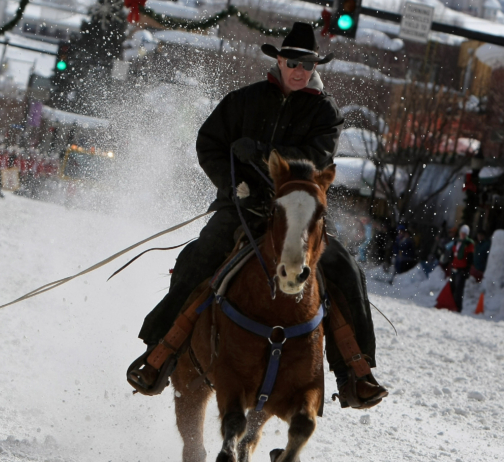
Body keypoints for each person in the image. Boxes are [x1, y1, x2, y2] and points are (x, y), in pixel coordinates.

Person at [126, 22, 387, 409]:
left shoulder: (325, 112)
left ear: (315, 66)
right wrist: (231, 185)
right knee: (197, 259)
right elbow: (209, 142)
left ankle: (355, 371)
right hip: (243, 208)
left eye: (307, 65)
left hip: (297, 215)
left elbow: (314, 161)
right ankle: (160, 353)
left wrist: (263, 151)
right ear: (279, 61)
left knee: (346, 270)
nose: (300, 71)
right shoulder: (243, 100)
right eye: (293, 63)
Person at [449, 225, 474, 313]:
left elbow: (470, 258)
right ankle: (450, 304)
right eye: (461, 233)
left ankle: (457, 307)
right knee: (452, 287)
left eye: (464, 234)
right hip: (455, 267)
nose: (462, 235)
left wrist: (467, 269)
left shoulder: (468, 244)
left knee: (459, 289)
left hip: (462, 269)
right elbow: (452, 253)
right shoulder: (457, 242)